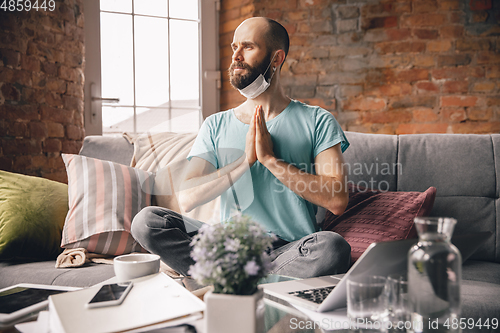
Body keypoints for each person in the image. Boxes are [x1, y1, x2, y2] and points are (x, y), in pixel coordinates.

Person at [131, 17, 351, 279]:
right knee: (147, 222)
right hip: (226, 247)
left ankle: (227, 281)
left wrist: (271, 160)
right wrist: (244, 162)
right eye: (234, 47)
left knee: (332, 247)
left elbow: (337, 200)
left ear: (276, 58)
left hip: (289, 251)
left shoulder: (317, 120)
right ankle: (248, 281)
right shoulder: (215, 124)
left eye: (247, 47)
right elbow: (188, 198)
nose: (235, 56)